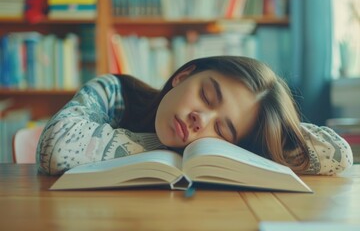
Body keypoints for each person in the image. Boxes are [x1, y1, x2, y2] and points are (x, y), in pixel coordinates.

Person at [36, 56, 353, 176]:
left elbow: (338, 155)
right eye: (207, 95)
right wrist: (170, 152)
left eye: (224, 130)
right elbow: (56, 148)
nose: (201, 119)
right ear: (183, 75)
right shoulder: (115, 92)